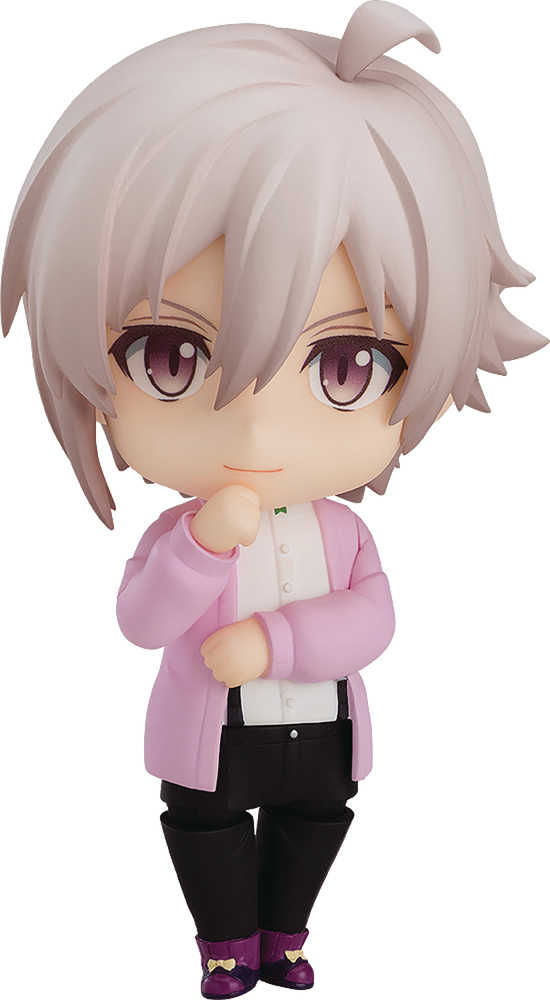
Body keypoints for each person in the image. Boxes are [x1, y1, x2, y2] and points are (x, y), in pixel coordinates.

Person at [2, 3, 545, 996]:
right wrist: (200, 549)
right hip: (213, 738)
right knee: (204, 824)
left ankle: (285, 932)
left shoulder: (343, 533)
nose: (253, 427)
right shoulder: (179, 531)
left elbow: (375, 617)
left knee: (316, 821)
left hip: (316, 727)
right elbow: (140, 620)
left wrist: (279, 643)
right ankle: (224, 942)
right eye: (170, 357)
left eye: (347, 364)